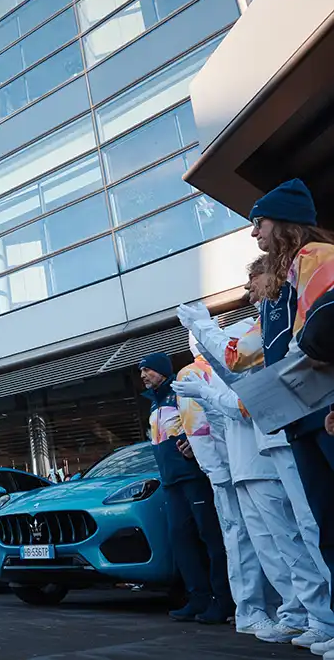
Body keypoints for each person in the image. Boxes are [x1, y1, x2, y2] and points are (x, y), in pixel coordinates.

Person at [182, 256, 334, 651]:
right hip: (270, 443)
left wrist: (203, 327)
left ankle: (323, 616)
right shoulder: (264, 321)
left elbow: (238, 370)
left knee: (312, 531)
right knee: (288, 540)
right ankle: (311, 615)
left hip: (289, 435)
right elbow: (235, 377)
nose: (249, 289)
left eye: (254, 279)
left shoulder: (281, 315)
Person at [173, 339, 261, 628]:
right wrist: (217, 470)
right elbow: (197, 428)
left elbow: (202, 426)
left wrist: (219, 470)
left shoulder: (208, 371)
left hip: (237, 467)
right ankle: (249, 609)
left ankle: (252, 608)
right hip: (233, 469)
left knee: (246, 538)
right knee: (244, 538)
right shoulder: (200, 373)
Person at [138, 352, 232, 622]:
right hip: (170, 482)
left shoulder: (181, 390)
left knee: (210, 536)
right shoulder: (154, 404)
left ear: (162, 370)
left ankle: (224, 600)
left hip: (193, 477)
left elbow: (205, 421)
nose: (143, 375)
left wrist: (195, 443)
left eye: (148, 370)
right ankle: (198, 598)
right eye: (141, 371)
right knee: (181, 539)